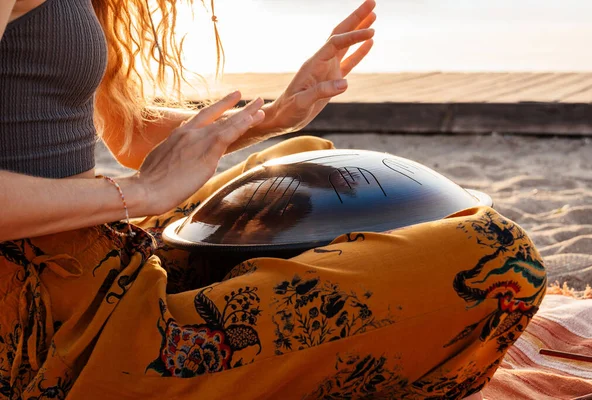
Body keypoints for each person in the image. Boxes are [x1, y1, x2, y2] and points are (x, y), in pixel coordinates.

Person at [0, 0, 546, 398]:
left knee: (301, 163)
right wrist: (141, 192)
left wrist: (278, 115)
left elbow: (126, 130)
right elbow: (141, 171)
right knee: (494, 252)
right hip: (48, 321)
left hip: (92, 253)